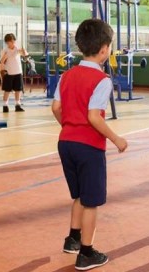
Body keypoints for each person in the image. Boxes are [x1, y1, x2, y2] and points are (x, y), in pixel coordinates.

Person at [51, 18, 128, 271]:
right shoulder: (102, 80)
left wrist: (69, 126)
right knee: (91, 201)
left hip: (66, 143)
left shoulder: (66, 75)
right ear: (105, 49)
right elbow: (94, 117)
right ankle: (86, 253)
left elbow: (56, 108)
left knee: (79, 195)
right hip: (88, 147)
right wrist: (116, 138)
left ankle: (72, 239)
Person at [0, 33, 28, 113]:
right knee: (7, 90)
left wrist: (23, 51)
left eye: (13, 41)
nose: (12, 43)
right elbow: (1, 61)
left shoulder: (17, 48)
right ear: (7, 42)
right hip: (9, 72)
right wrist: (5, 56)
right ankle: (5, 105)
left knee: (18, 89)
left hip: (18, 72)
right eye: (10, 42)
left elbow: (25, 55)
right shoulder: (5, 50)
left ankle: (17, 105)